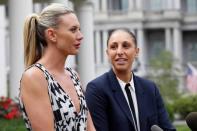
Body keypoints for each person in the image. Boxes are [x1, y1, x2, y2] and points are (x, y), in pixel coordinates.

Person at [19, 3, 95, 131]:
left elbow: (90, 128)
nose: (80, 36)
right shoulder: (34, 77)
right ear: (52, 35)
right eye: (73, 30)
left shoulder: (73, 75)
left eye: (79, 29)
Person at [85, 29, 176, 131]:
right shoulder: (96, 89)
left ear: (136, 52)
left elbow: (167, 128)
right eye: (113, 47)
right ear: (108, 53)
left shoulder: (150, 88)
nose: (119, 52)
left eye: (125, 46)